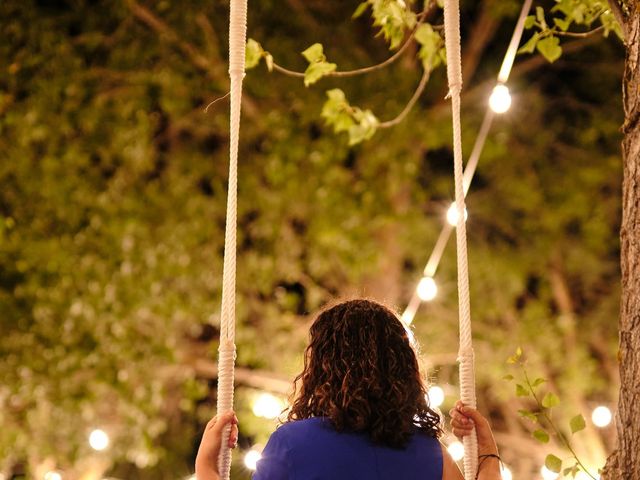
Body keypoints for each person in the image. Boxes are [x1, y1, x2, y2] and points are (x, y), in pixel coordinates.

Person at [196, 299, 502, 480]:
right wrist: (487, 452)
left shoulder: (291, 445)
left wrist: (206, 466)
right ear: (402, 369)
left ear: (321, 368)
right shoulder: (431, 454)